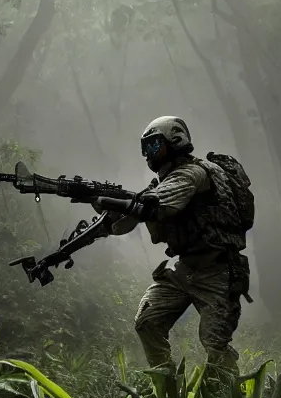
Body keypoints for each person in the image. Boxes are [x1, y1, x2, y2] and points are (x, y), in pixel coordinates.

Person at [91, 116, 254, 376]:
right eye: (144, 148)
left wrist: (113, 201)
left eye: (154, 145)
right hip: (183, 270)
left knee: (214, 345)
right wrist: (103, 213)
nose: (148, 154)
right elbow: (124, 223)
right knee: (147, 323)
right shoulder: (164, 183)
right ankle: (167, 388)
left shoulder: (194, 172)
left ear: (175, 140)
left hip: (218, 271)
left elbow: (158, 206)